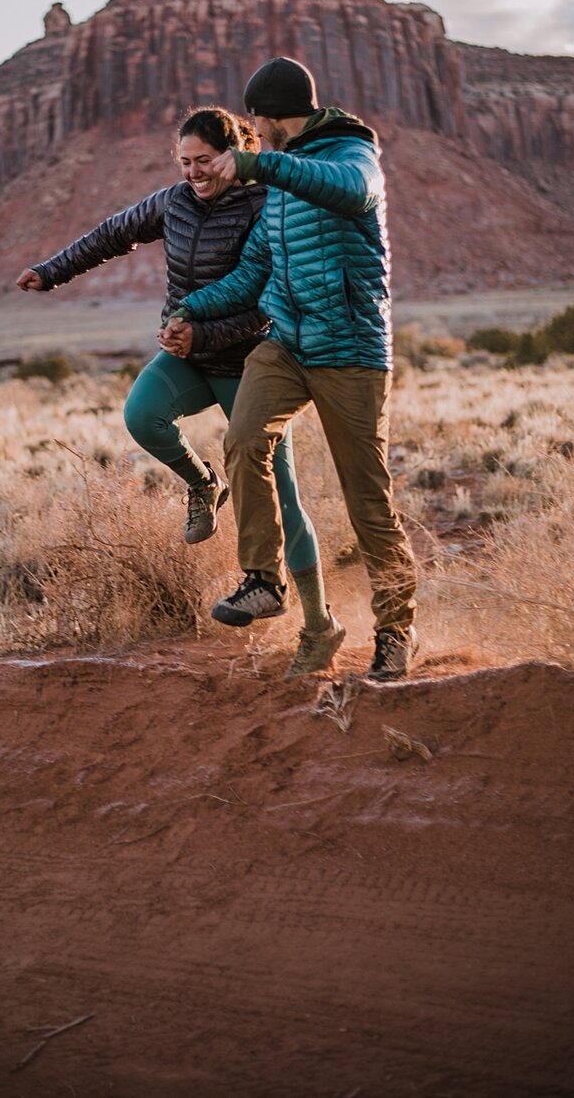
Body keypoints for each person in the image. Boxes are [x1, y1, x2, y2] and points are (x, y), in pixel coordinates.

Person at [162, 58, 418, 682]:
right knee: (244, 439)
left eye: (257, 121)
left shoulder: (352, 155)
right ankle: (262, 580)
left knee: (369, 502)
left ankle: (395, 632)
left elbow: (349, 192)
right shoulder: (280, 181)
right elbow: (255, 270)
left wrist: (256, 164)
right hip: (287, 345)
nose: (255, 131)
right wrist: (189, 308)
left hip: (351, 349)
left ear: (272, 118)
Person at [16, 107, 321, 604]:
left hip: (253, 365)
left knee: (283, 499)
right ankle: (204, 486)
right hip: (188, 355)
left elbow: (266, 299)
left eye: (204, 160)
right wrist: (51, 271)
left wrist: (201, 336)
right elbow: (109, 236)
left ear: (234, 156)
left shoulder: (266, 206)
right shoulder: (173, 202)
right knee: (143, 416)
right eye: (185, 161)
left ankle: (315, 618)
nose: (194, 172)